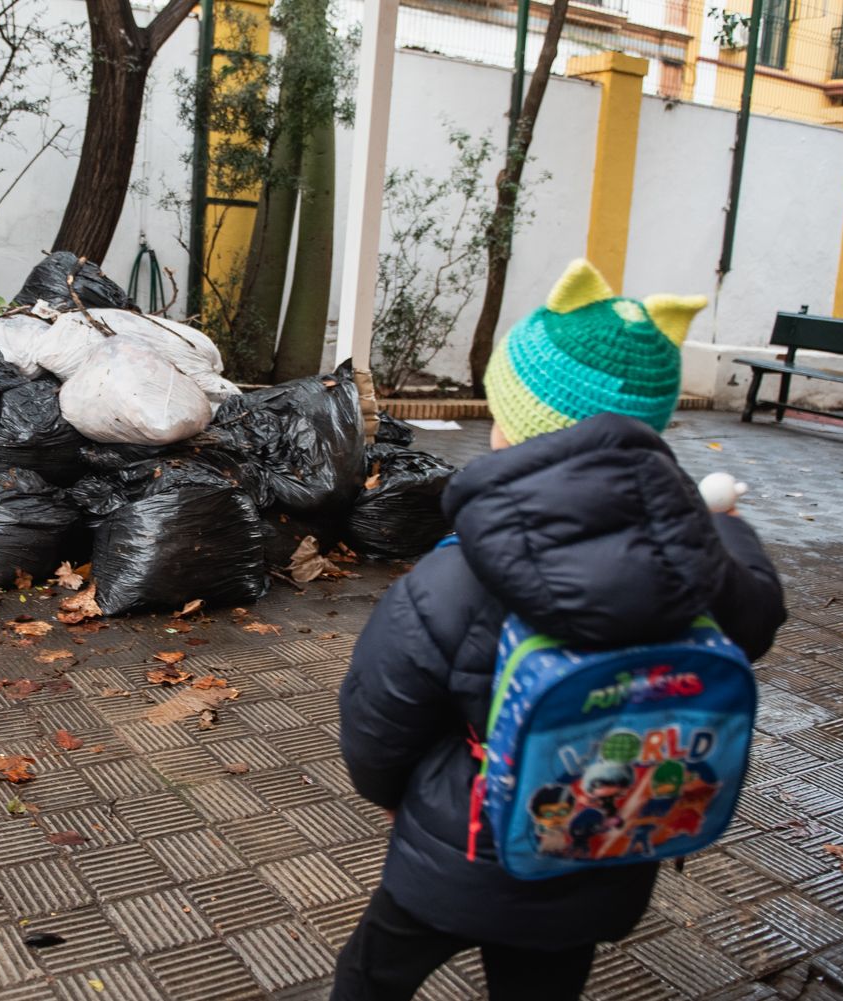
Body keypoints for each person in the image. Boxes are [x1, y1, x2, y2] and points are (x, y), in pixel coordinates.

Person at [332, 260, 787, 1001]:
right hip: (601, 843)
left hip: (459, 844)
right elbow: (758, 615)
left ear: (512, 424)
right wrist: (723, 532)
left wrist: (390, 793)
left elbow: (377, 714)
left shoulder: (455, 573)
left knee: (374, 973)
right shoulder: (696, 561)